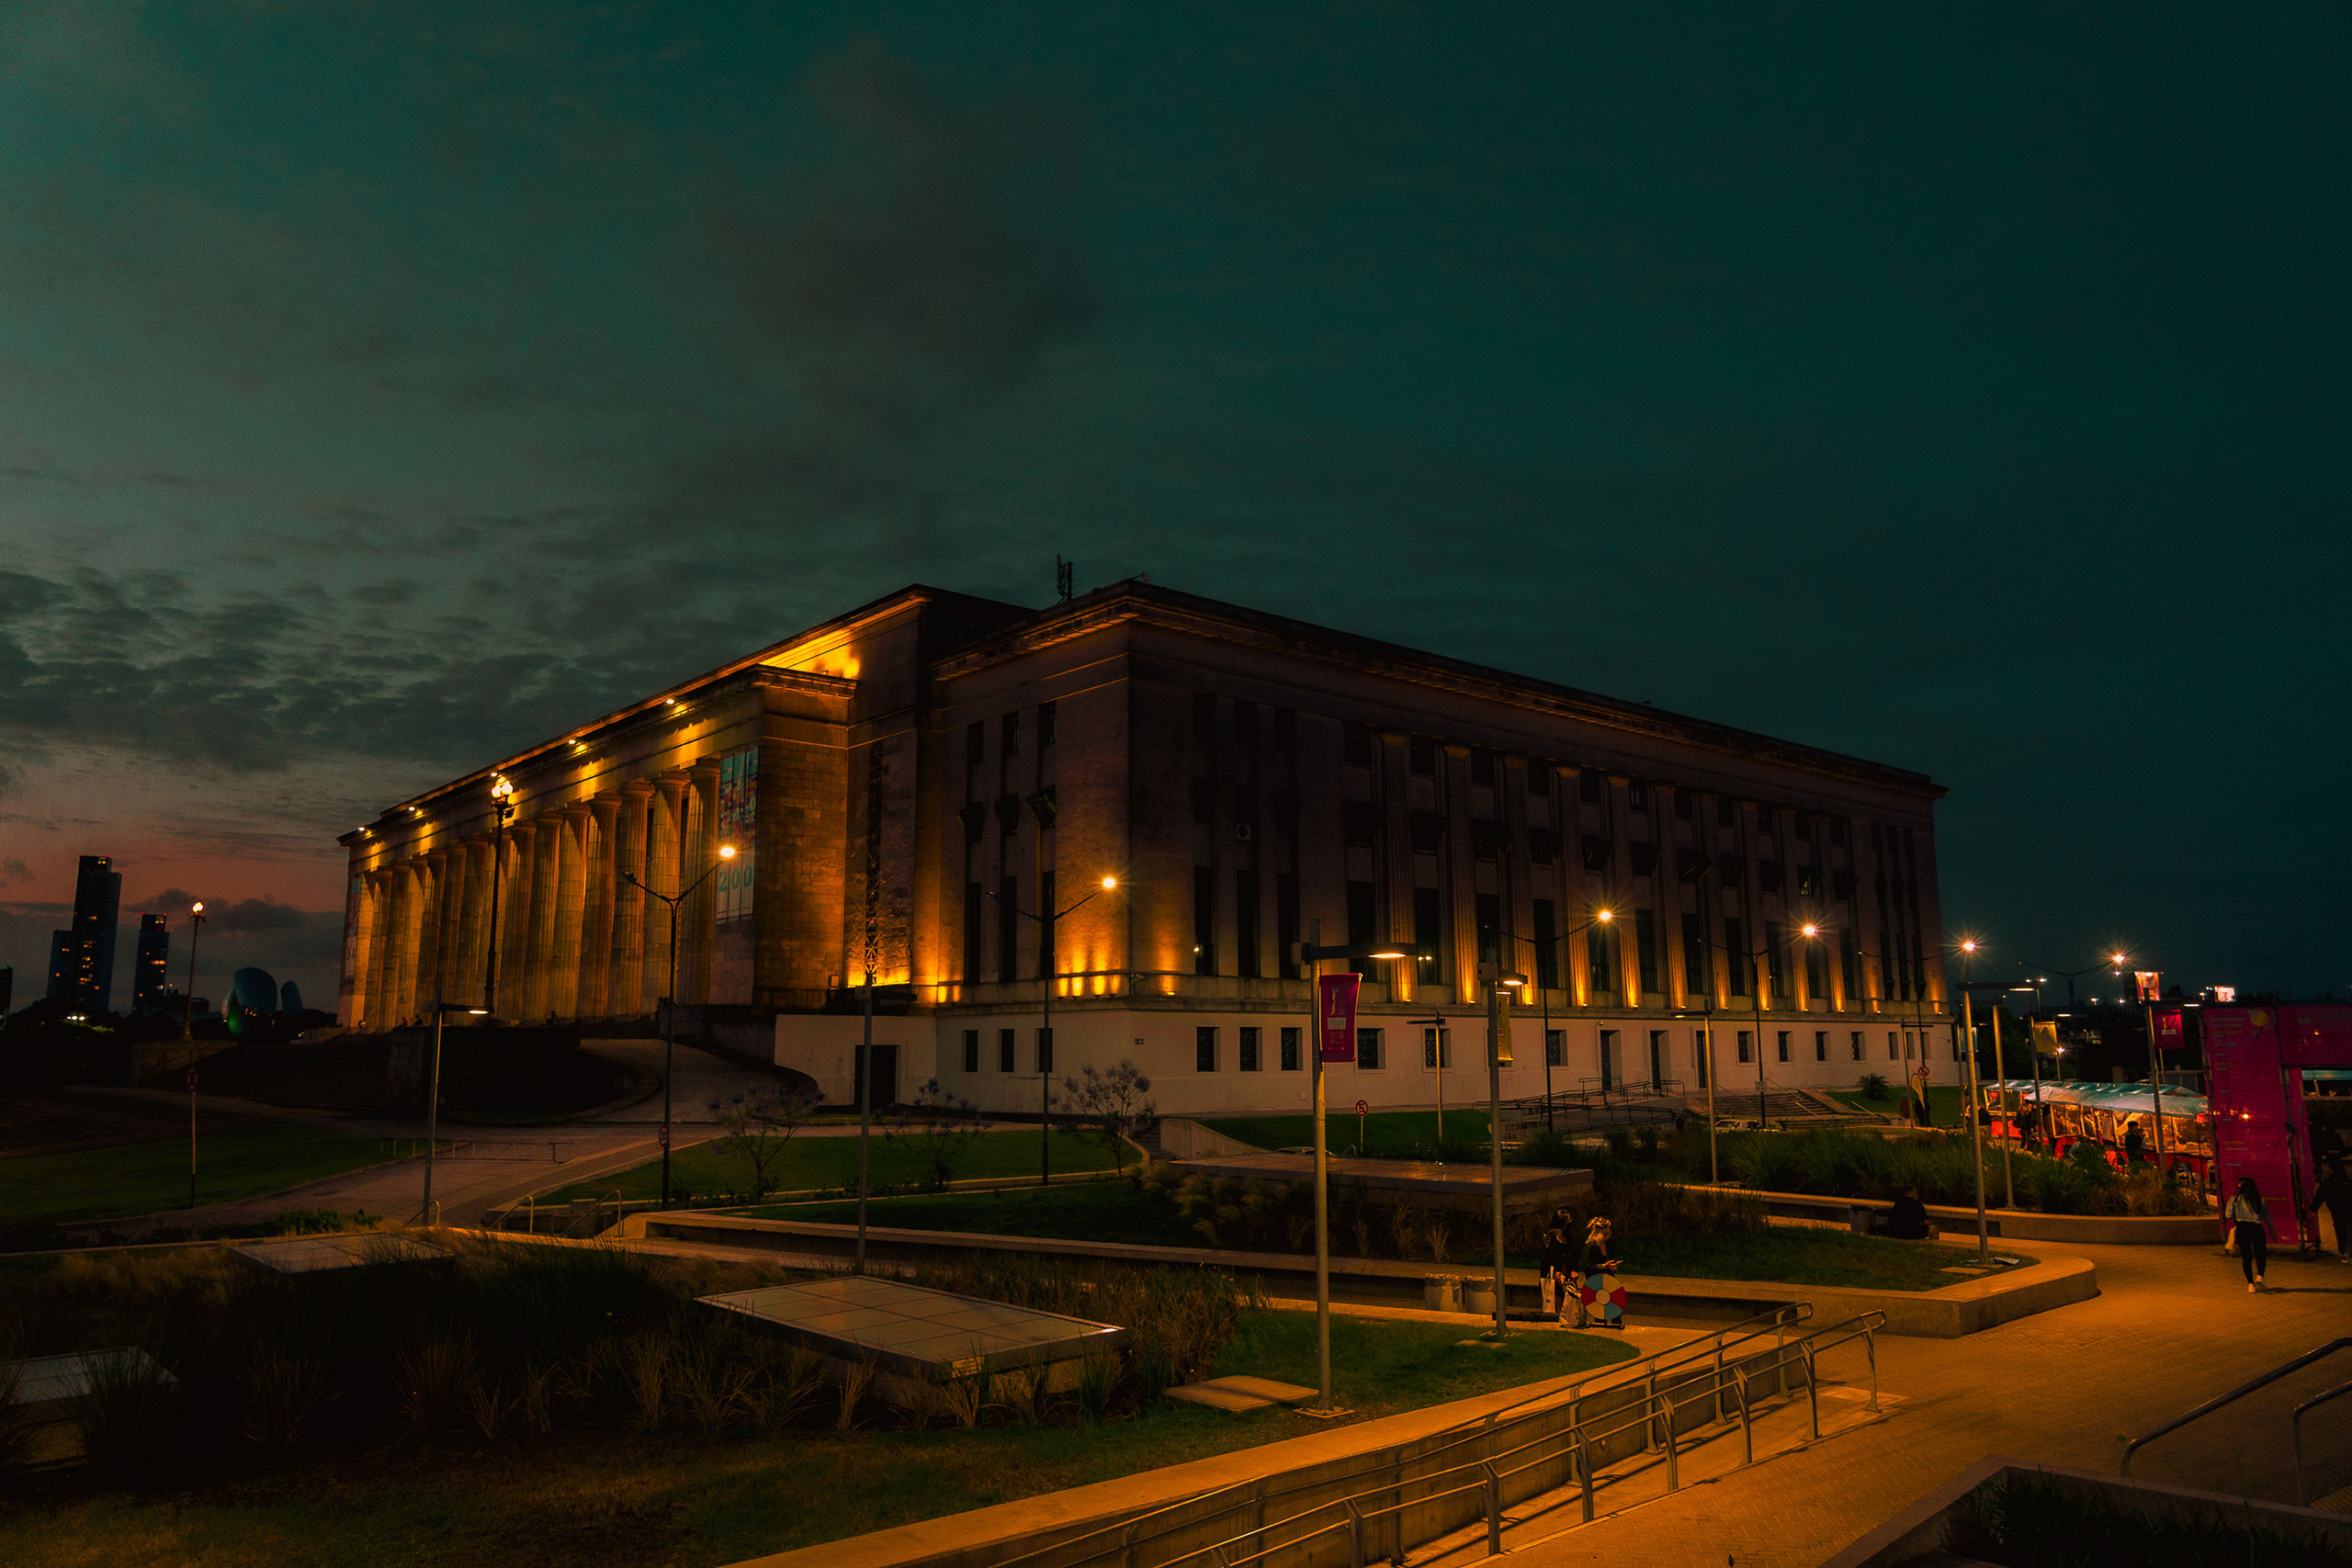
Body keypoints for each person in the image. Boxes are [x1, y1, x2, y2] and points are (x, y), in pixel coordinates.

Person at [1578, 1216, 1624, 1330]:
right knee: (1600, 1310)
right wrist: (1604, 1266)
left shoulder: (1606, 1245)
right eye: (1608, 1227)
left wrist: (1612, 1267)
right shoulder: (1590, 1246)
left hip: (1608, 1281)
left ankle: (1616, 1325)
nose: (1610, 1230)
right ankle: (1601, 1329)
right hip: (1596, 1282)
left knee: (1615, 1305)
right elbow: (1588, 1267)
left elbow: (1608, 1262)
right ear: (1603, 1229)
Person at [2224, 1177, 2269, 1292]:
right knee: (2260, 1253)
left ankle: (2250, 1284)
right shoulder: (2258, 1199)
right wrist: (2272, 1230)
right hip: (2256, 1228)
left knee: (2246, 1257)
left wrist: (2237, 1220)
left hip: (2242, 1227)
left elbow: (2228, 1215)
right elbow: (2267, 1216)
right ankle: (2260, 1276)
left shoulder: (2235, 1199)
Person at [1539, 1213, 1581, 1325]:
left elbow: (1574, 1255)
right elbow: (1544, 1256)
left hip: (1566, 1271)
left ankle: (1569, 1319)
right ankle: (1555, 1320)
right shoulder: (1549, 1236)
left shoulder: (1569, 1236)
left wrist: (1573, 1269)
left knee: (1569, 1297)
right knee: (1554, 1299)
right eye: (1568, 1220)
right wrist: (1553, 1271)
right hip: (1554, 1272)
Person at [2313, 1159, 2352, 1264]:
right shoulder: (2346, 1182)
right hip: (2346, 1211)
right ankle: (2347, 1251)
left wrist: (2313, 1209)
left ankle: (2345, 1251)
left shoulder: (2329, 1183)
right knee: (2347, 1230)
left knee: (2341, 1231)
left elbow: (2319, 1196)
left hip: (2337, 1211)